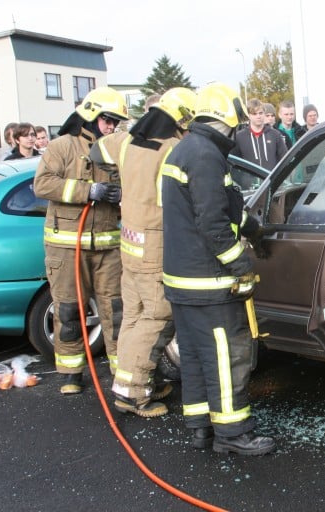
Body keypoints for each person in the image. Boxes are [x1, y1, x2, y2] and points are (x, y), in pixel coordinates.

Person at [162, 81, 276, 455]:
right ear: (227, 116)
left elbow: (219, 207)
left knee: (195, 358)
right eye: (237, 123)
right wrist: (240, 265)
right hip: (208, 281)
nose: (239, 129)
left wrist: (249, 225)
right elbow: (211, 223)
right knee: (227, 357)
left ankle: (201, 428)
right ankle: (234, 435)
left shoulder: (185, 150)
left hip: (182, 280)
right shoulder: (207, 155)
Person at [89, 87, 196, 418]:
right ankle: (133, 394)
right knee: (155, 317)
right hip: (156, 242)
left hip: (130, 242)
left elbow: (95, 151)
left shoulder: (126, 142)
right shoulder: (174, 148)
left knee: (133, 317)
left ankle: (132, 382)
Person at [33, 86, 129, 395]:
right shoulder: (61, 147)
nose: (112, 127)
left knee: (116, 311)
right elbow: (43, 184)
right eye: (108, 120)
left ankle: (121, 372)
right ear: (91, 115)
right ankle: (71, 373)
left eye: (116, 122)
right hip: (66, 248)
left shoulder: (115, 150)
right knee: (69, 311)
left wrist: (119, 194)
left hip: (108, 249)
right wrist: (88, 191)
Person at [232, 98, 287, 172]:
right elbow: (234, 163)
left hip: (271, 181)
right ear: (249, 115)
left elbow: (284, 159)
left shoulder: (275, 135)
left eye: (260, 113)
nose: (258, 116)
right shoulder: (239, 137)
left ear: (264, 113)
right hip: (248, 182)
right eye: (254, 114)